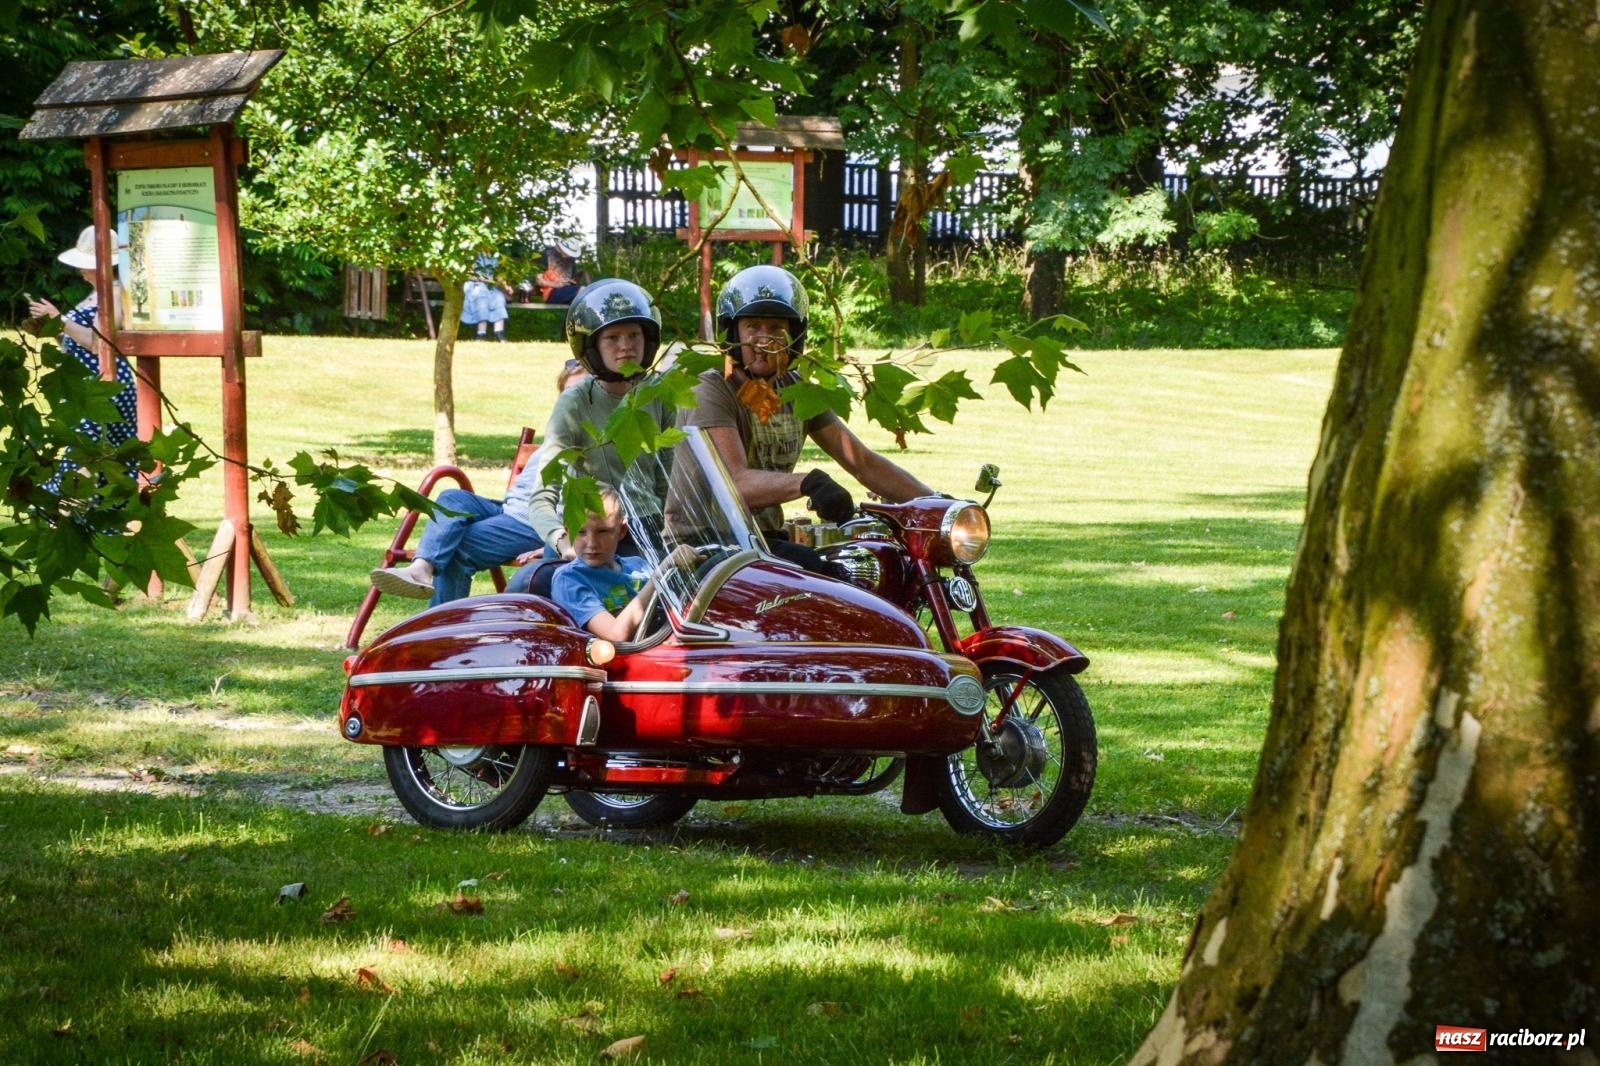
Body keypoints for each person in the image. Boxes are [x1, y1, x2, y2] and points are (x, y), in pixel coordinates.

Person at [679, 264, 933, 553]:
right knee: (822, 582)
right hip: (702, 545)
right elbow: (735, 484)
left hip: (760, 539)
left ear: (795, 336)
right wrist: (809, 483)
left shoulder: (796, 389)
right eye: (753, 327)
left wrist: (936, 503)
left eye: (777, 328)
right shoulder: (712, 389)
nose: (765, 340)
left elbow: (861, 461)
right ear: (732, 333)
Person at [507, 278, 675, 595]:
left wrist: (679, 535)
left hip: (647, 532)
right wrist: (564, 541)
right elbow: (543, 496)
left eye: (634, 334)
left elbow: (669, 484)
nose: (626, 345)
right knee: (529, 586)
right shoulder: (574, 403)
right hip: (590, 536)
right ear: (591, 347)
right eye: (612, 337)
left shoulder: (658, 396)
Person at [26, 225, 139, 493]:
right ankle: (79, 519)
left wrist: (59, 320)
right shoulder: (93, 293)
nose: (80, 269)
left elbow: (97, 342)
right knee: (91, 457)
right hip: (84, 385)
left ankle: (65, 513)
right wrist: (51, 330)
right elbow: (75, 341)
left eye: (86, 264)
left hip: (105, 385)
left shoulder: (113, 292)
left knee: (86, 458)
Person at [550, 483, 699, 641]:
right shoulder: (569, 580)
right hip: (613, 662)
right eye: (580, 532)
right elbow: (615, 635)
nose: (592, 543)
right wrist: (661, 573)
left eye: (603, 531)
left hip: (667, 644)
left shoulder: (638, 565)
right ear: (568, 531)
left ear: (621, 531)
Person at [460, 251, 510, 341]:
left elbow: (499, 277)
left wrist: (506, 287)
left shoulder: (495, 257)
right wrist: (486, 280)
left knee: (499, 297)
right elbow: (469, 275)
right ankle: (481, 333)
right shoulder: (473, 254)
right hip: (475, 286)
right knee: (481, 297)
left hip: (490, 287)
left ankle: (499, 333)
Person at [537, 239, 590, 304]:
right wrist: (558, 284)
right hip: (550, 293)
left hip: (568, 292)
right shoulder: (546, 255)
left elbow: (572, 280)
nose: (569, 256)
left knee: (586, 292)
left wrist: (572, 282)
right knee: (583, 291)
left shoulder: (571, 260)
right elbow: (538, 281)